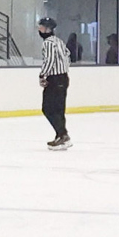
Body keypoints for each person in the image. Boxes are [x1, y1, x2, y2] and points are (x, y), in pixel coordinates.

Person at [35, 15, 71, 150]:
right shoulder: (59, 41)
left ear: (47, 29)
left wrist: (43, 75)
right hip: (63, 77)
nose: (39, 29)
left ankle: (63, 135)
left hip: (54, 79)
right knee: (58, 109)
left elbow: (49, 60)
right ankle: (61, 135)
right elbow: (68, 55)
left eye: (42, 27)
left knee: (48, 108)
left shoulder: (48, 43)